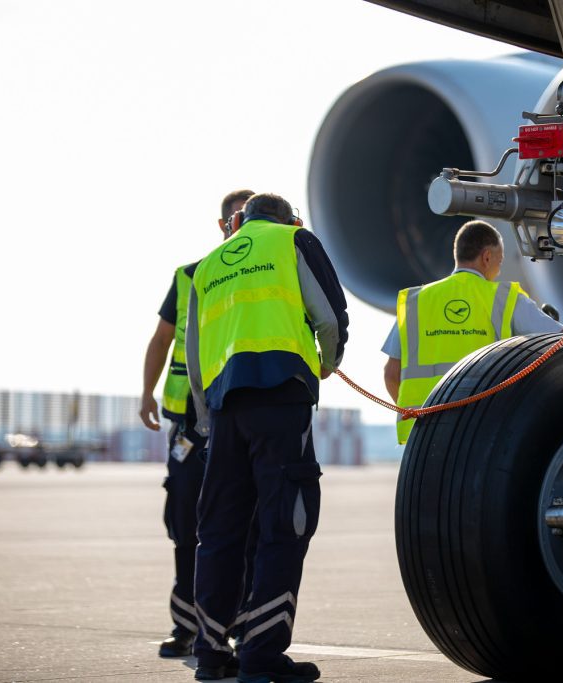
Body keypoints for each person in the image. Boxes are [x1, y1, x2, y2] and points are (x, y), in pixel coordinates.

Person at [185, 192, 348, 683]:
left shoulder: (209, 265)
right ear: (287, 218)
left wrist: (206, 419)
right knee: (285, 525)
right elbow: (331, 316)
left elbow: (194, 354)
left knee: (220, 532)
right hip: (280, 397)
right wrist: (327, 361)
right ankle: (261, 653)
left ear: (239, 221)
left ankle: (211, 651)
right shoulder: (294, 240)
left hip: (224, 407)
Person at [139, 188, 254, 658]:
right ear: (222, 224)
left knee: (245, 525)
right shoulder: (190, 276)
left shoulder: (265, 269)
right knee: (185, 526)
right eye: (234, 218)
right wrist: (146, 391)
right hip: (189, 423)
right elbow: (163, 337)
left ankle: (245, 627)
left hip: (237, 415)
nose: (241, 226)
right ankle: (187, 625)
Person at [382, 219, 563, 443]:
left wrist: (418, 414)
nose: (498, 271)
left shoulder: (416, 302)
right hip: (480, 431)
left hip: (422, 435)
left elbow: (391, 374)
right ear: (487, 257)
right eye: (499, 262)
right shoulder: (503, 298)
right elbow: (560, 339)